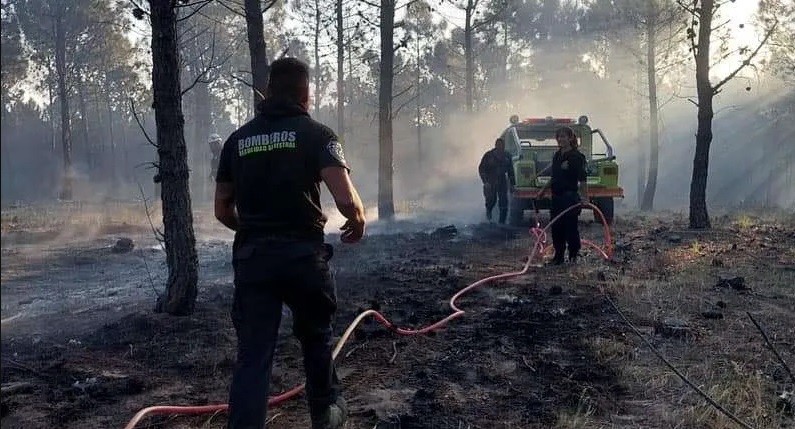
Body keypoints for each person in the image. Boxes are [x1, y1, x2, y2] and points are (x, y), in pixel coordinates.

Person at [214, 57, 366, 429]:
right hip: (303, 258)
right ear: (305, 94)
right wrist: (358, 218)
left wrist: (252, 231)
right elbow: (345, 198)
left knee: (254, 353)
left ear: (268, 92)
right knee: (315, 339)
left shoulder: (238, 140)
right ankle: (326, 415)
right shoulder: (318, 135)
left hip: (254, 259)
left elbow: (221, 208)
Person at [539, 126, 588, 265]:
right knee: (557, 228)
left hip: (570, 197)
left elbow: (583, 179)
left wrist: (585, 198)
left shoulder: (576, 157)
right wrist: (543, 190)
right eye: (559, 137)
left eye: (564, 136)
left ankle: (573, 256)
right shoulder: (557, 155)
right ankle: (558, 256)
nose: (561, 139)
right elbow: (554, 177)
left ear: (571, 138)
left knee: (570, 228)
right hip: (557, 197)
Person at [478, 138, 516, 224]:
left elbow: (511, 172)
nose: (500, 148)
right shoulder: (489, 156)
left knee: (504, 202)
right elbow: (481, 169)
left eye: (502, 146)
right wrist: (485, 182)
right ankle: (489, 215)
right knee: (491, 200)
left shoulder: (507, 156)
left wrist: (512, 184)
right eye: (499, 146)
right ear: (496, 146)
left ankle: (502, 222)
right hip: (491, 181)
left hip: (502, 180)